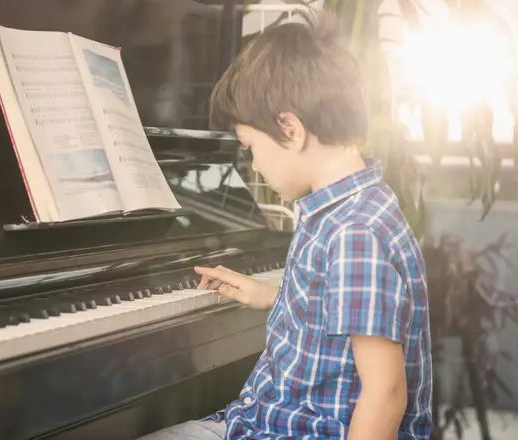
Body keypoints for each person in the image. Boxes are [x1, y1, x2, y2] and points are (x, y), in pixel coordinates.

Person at [139, 10, 432, 440]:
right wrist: (270, 295)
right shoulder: (345, 206)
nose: (253, 165)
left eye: (251, 147)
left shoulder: (355, 233)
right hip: (261, 421)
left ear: (290, 129)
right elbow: (338, 309)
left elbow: (385, 395)